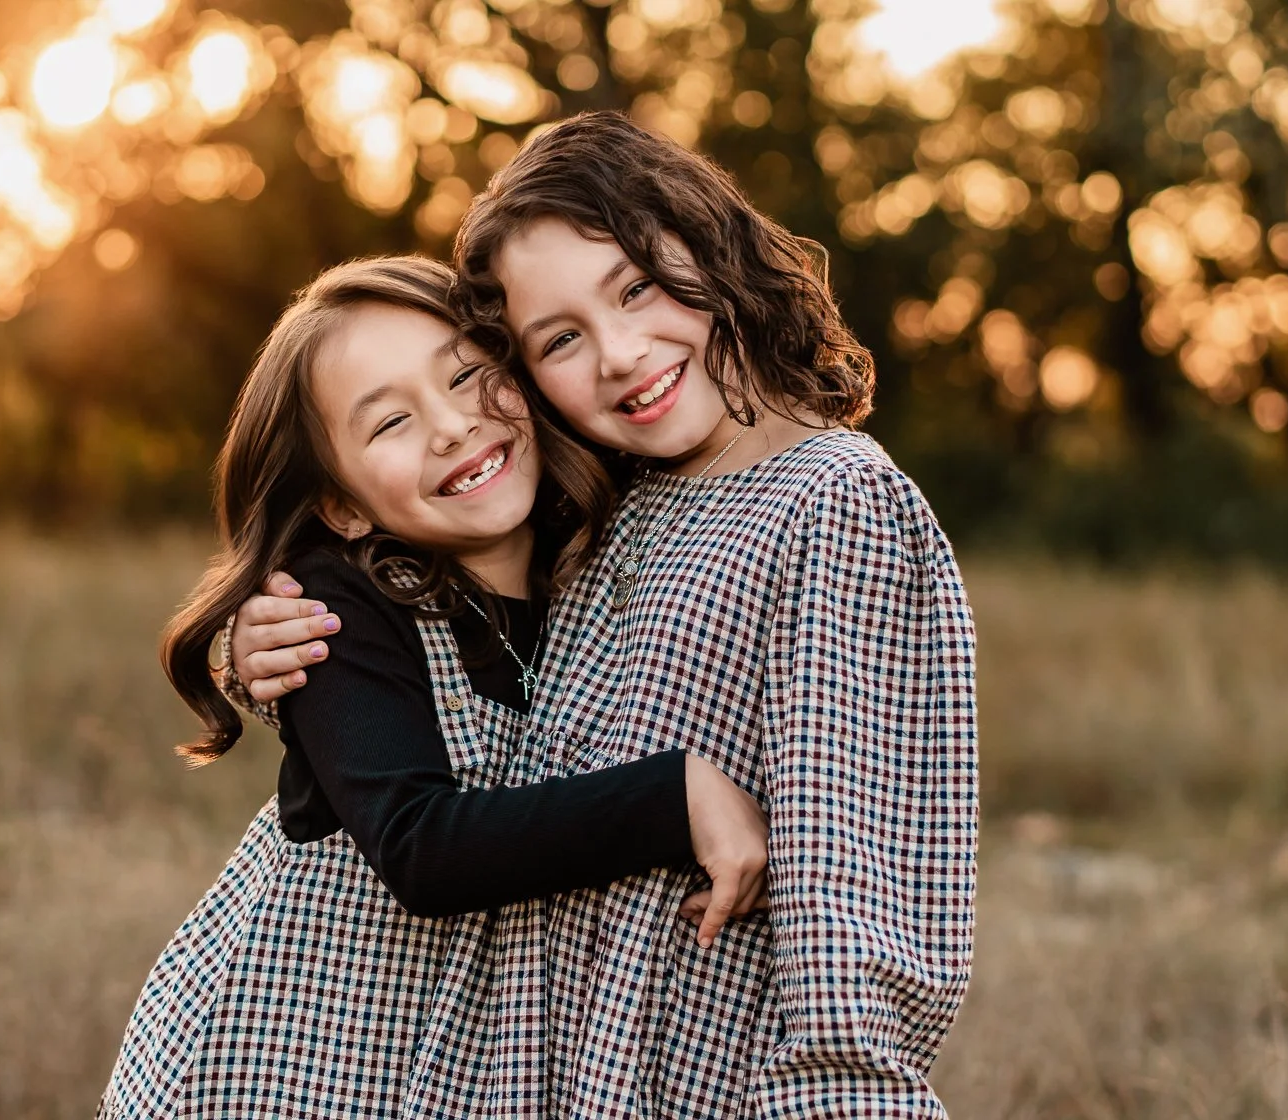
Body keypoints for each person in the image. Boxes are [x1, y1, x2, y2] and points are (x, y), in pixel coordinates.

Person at [230, 112, 979, 1117]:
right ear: (530, 377)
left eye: (635, 286)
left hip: (695, 1076)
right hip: (538, 1072)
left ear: (711, 242)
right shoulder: (619, 501)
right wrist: (262, 652)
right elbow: (454, 671)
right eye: (560, 339)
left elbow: (854, 926)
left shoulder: (837, 504)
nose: (622, 354)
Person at [99, 255, 770, 1120]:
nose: (453, 426)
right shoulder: (339, 606)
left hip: (464, 1071)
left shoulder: (604, 564)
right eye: (391, 424)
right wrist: (673, 798)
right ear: (343, 507)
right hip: (287, 1064)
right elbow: (423, 848)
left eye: (466, 376)